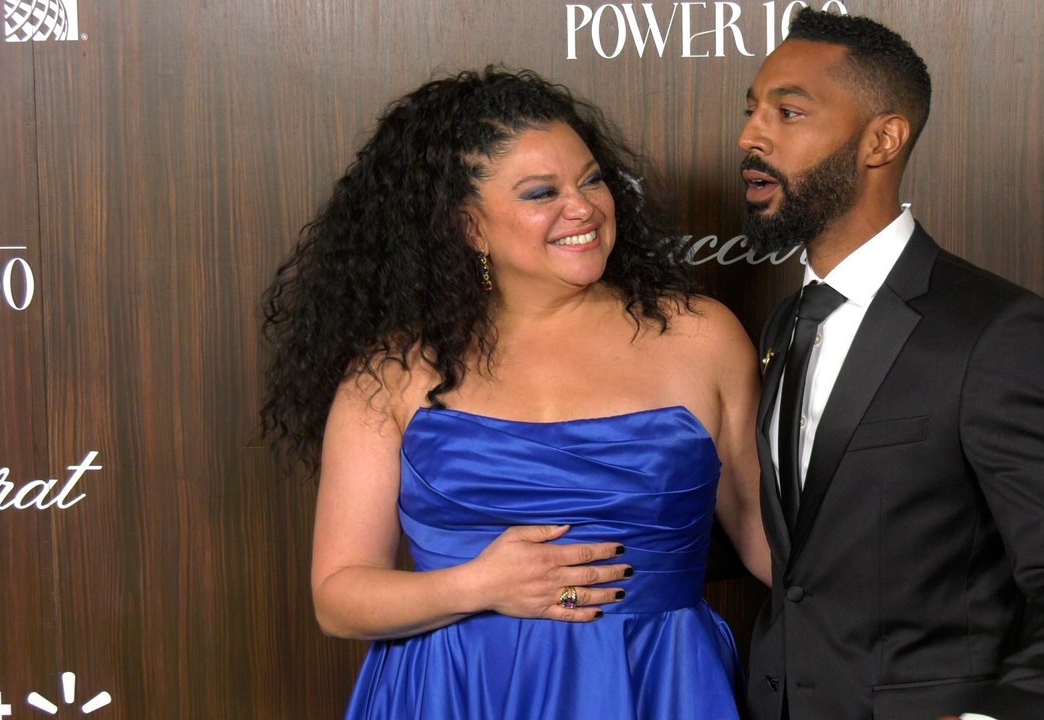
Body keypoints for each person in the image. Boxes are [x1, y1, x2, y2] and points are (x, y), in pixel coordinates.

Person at [260, 68, 770, 719]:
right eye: (540, 193)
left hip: (654, 683)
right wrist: (479, 583)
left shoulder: (702, 339)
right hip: (459, 690)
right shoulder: (391, 374)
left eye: (591, 179)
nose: (582, 207)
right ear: (469, 227)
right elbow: (338, 597)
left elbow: (764, 539)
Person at [737, 9, 1044, 720]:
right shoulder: (786, 322)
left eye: (788, 112)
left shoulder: (997, 330)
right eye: (752, 111)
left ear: (883, 139)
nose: (750, 137)